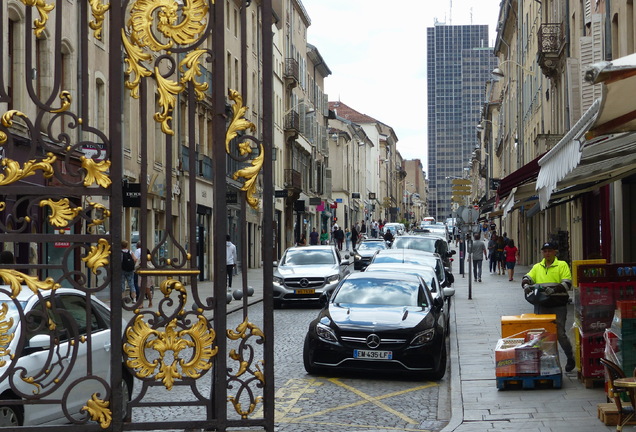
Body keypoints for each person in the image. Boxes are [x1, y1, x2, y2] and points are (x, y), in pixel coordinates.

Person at [522, 241, 575, 372]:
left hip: (558, 305)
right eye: (545, 251)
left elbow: (567, 282)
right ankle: (544, 361)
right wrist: (526, 285)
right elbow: (527, 277)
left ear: (554, 252)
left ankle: (570, 357)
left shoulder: (562, 265)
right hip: (542, 304)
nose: (547, 253)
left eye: (550, 251)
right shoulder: (537, 267)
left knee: (560, 333)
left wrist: (555, 289)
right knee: (541, 334)